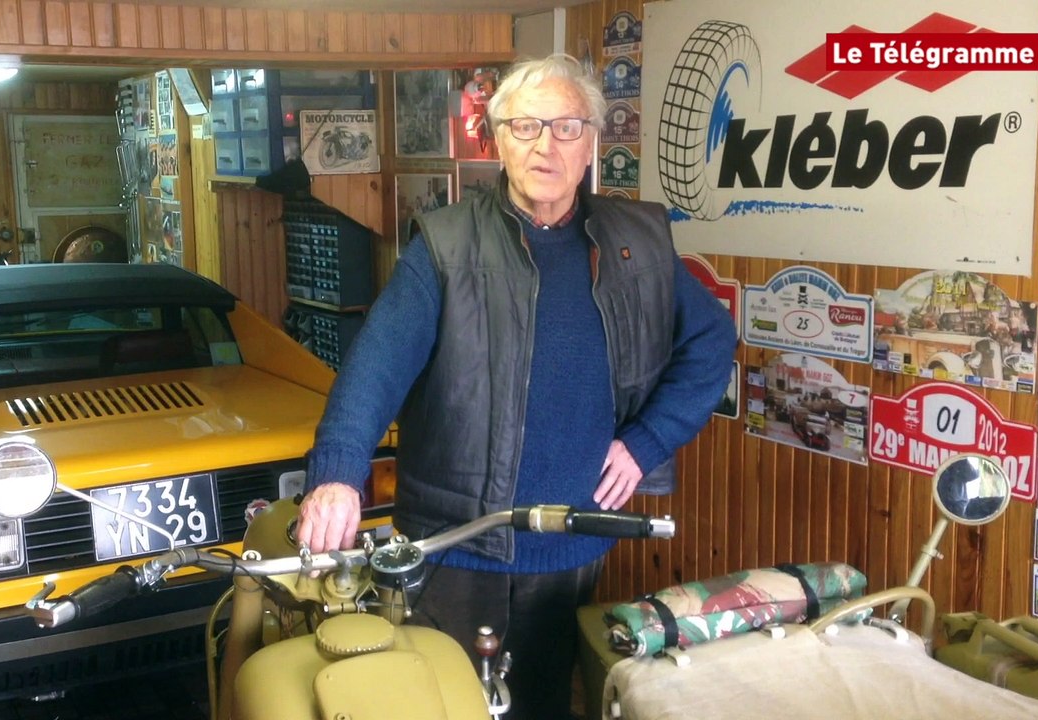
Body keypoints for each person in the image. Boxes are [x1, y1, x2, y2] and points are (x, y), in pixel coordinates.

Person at [297, 53, 736, 720]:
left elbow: (712, 343)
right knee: (448, 707)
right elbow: (374, 367)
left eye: (565, 128)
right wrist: (337, 474)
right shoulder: (445, 247)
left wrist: (647, 442)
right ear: (498, 140)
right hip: (460, 545)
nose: (545, 146)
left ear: (591, 142)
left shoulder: (637, 243)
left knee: (544, 702)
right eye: (526, 127)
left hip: (575, 543)